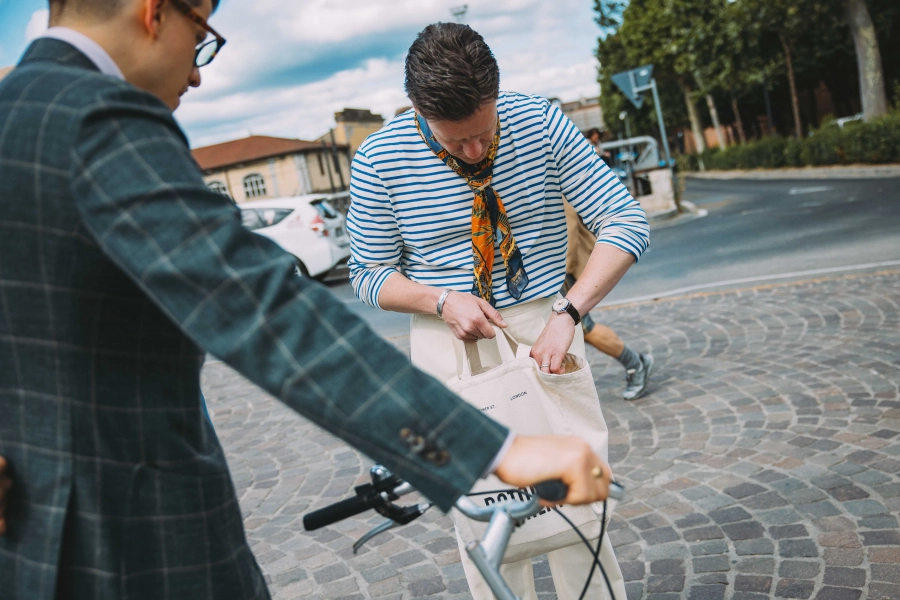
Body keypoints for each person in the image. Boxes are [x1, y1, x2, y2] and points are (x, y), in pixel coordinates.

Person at [0, 2, 615, 599]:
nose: (195, 69)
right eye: (202, 31)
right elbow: (267, 311)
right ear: (154, 11)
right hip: (128, 530)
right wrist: (486, 449)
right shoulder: (96, 119)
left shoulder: (13, 113)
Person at [347, 22, 649, 600]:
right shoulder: (380, 158)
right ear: (418, 108)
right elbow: (367, 273)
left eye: (484, 132)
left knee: (575, 510)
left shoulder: (539, 120)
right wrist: (438, 299)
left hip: (544, 327)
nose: (475, 151)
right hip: (447, 340)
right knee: (484, 519)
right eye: (456, 141)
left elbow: (624, 220)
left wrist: (569, 312)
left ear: (496, 94)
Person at [563, 198, 653, 400]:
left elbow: (569, 230)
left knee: (584, 329)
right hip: (549, 276)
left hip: (559, 275)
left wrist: (560, 273)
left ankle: (636, 364)